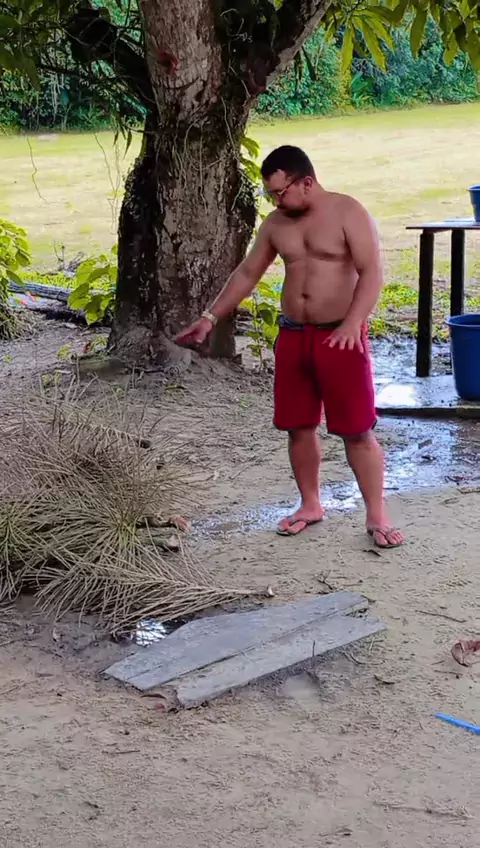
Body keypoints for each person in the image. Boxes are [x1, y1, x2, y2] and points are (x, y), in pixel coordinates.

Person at [175, 145, 404, 549]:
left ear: (307, 182)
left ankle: (376, 514)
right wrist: (210, 317)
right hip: (295, 336)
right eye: (270, 195)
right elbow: (247, 273)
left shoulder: (348, 212)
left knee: (357, 430)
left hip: (341, 335)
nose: (275, 201)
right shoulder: (276, 224)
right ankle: (310, 505)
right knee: (298, 426)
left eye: (280, 193)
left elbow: (371, 273)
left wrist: (354, 322)